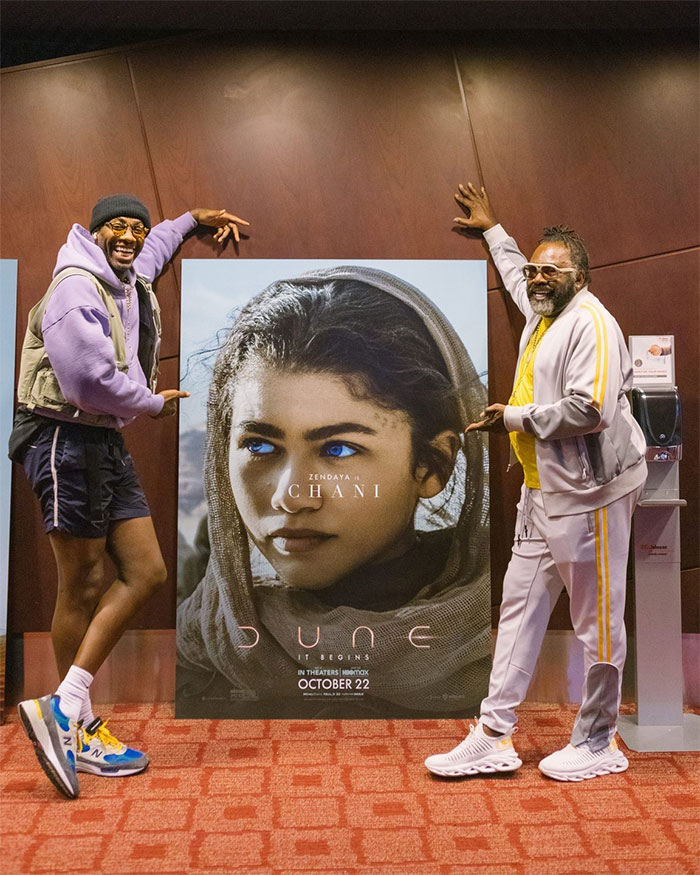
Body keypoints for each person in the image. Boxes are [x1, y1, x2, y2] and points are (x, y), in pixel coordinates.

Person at [177, 265, 492, 718]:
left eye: (339, 448)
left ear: (432, 464)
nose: (292, 497)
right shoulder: (208, 637)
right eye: (260, 445)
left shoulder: (489, 635)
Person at [14, 194, 249, 799]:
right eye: (117, 227)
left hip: (101, 442)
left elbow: (157, 249)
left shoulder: (126, 276)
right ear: (94, 233)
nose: (130, 237)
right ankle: (78, 725)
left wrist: (194, 219)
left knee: (146, 570)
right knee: (84, 582)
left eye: (137, 229)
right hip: (62, 435)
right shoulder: (75, 286)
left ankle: (64, 706)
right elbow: (88, 380)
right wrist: (150, 402)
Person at [425, 184, 647, 782]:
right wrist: (497, 233)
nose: (539, 278)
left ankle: (600, 740)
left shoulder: (593, 326)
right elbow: (520, 273)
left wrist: (514, 418)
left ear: (582, 276)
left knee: (598, 622)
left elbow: (591, 408)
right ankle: (493, 734)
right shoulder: (544, 316)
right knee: (519, 608)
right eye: (535, 270)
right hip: (541, 492)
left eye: (553, 270)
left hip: (592, 498)